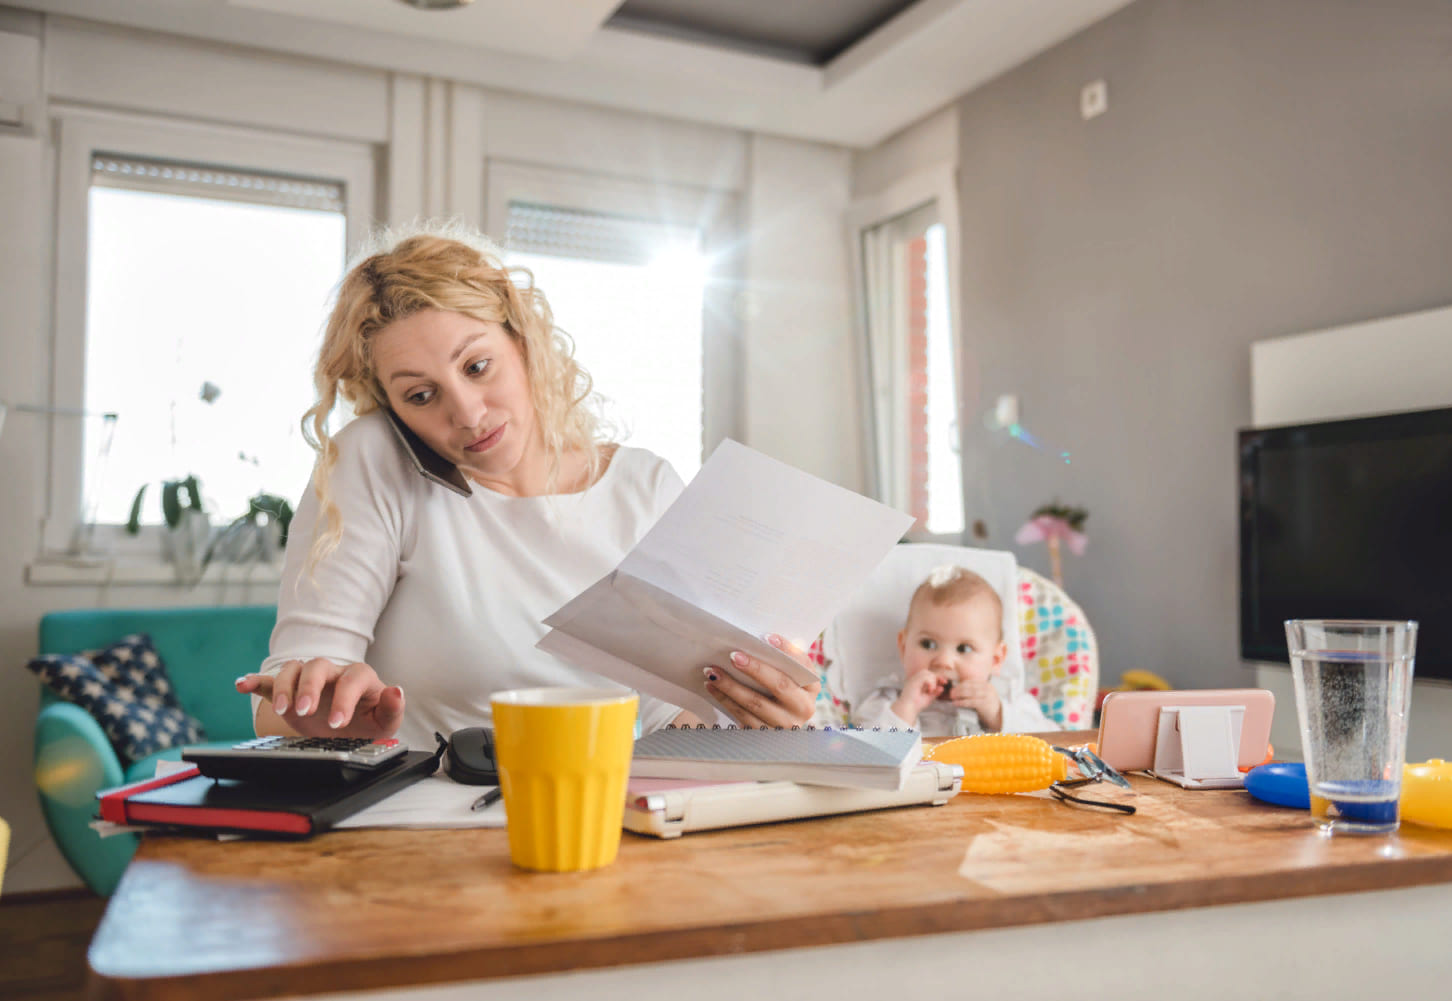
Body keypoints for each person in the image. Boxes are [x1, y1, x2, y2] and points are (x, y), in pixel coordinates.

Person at [234, 222, 818, 743]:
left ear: (523, 341)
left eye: (476, 366)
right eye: (420, 395)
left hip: (607, 817)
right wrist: (327, 710)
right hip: (427, 828)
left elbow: (673, 726)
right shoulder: (374, 460)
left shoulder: (646, 487)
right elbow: (282, 703)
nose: (465, 413)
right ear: (391, 406)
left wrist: (754, 715)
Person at [851, 565, 1048, 736]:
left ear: (995, 660)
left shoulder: (1009, 698)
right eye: (928, 644)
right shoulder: (888, 700)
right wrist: (906, 709)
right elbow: (865, 752)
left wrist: (997, 714)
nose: (944, 661)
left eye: (964, 648)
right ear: (903, 647)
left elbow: (1051, 743)